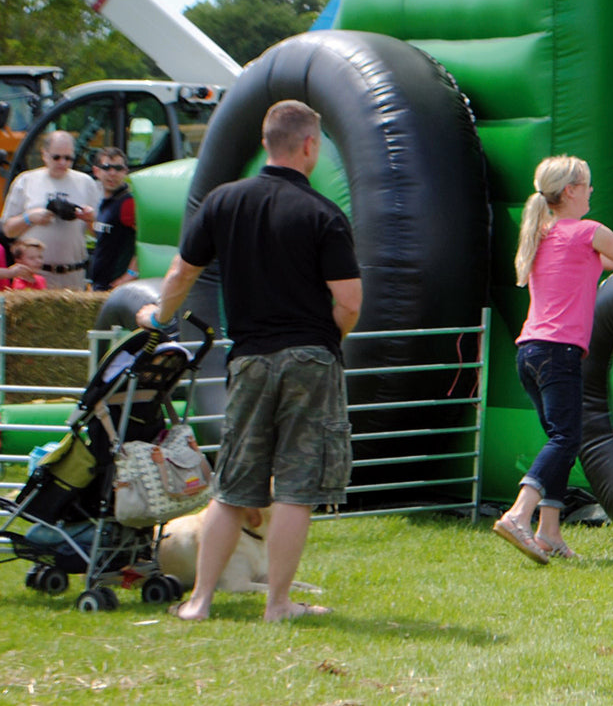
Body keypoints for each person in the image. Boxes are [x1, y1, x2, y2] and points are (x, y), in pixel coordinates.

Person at [138, 100, 361, 622]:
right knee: (298, 486)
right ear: (309, 146)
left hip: (249, 358)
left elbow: (180, 274)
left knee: (234, 487)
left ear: (265, 143)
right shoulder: (324, 214)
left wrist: (157, 315)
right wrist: (325, 337)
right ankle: (278, 605)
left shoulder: (222, 202)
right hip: (310, 357)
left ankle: (199, 601)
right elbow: (349, 302)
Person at [495, 155, 613, 564]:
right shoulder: (588, 231)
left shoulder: (546, 233)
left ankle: (549, 532)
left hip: (530, 354)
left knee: (562, 439)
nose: (592, 191)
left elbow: (610, 260)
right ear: (571, 190)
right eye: (587, 184)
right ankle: (519, 514)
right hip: (559, 353)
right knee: (566, 439)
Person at [1, 131, 100, 289]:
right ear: (44, 154)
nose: (63, 162)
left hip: (73, 274)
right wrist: (29, 218)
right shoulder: (26, 181)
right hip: (34, 277)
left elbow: (100, 234)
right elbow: (8, 231)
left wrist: (91, 219)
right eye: (57, 157)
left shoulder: (86, 183)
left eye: (68, 158)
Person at [88, 146, 138, 291]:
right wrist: (88, 221)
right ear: (96, 171)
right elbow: (106, 237)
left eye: (118, 168)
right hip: (100, 285)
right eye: (106, 168)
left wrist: (130, 275)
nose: (112, 173)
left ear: (125, 171)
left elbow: (145, 241)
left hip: (117, 287)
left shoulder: (128, 203)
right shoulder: (104, 202)